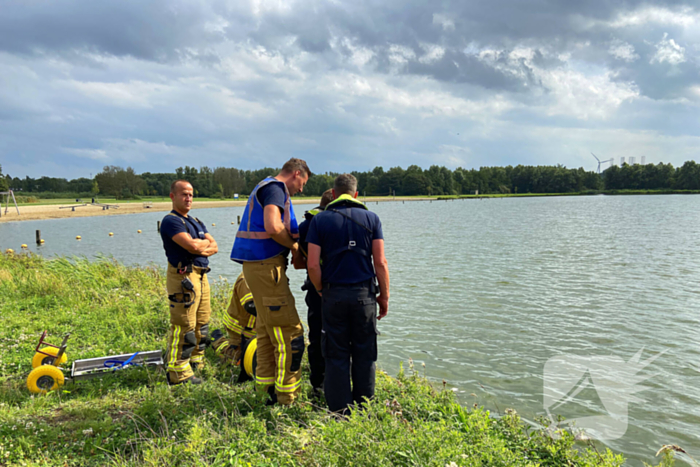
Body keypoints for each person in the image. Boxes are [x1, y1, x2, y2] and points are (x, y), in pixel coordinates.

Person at [306, 173, 390, 414]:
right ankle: (364, 410)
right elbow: (381, 262)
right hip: (364, 296)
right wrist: (383, 297)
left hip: (333, 296)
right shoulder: (372, 218)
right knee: (365, 354)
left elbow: (312, 265)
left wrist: (322, 290)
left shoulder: (319, 221)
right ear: (356, 194)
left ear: (333, 194)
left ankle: (340, 413)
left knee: (335, 354)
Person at [230, 158, 310, 405]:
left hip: (256, 266)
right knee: (291, 334)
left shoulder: (263, 187)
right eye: (303, 183)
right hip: (266, 266)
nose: (301, 189)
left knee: (265, 331)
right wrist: (295, 245)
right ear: (296, 173)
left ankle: (264, 392)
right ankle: (287, 399)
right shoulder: (276, 188)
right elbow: (273, 226)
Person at [160, 180, 218, 385]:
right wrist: (202, 245)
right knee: (184, 324)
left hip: (202, 274)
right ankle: (178, 372)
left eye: (191, 194)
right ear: (172, 196)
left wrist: (200, 246)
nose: (188, 198)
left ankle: (196, 361)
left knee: (202, 322)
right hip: (184, 276)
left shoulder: (195, 221)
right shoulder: (171, 221)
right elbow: (193, 246)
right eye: (184, 194)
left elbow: (215, 246)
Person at [292, 189, 334, 395]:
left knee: (316, 336)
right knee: (341, 337)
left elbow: (298, 263)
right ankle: (340, 382)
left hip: (314, 288)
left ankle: (317, 384)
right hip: (340, 288)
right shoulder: (339, 223)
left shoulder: (305, 226)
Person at [211, 272, 256, 377]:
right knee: (237, 359)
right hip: (240, 330)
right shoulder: (247, 278)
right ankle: (218, 341)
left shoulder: (270, 275)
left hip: (255, 328)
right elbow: (251, 306)